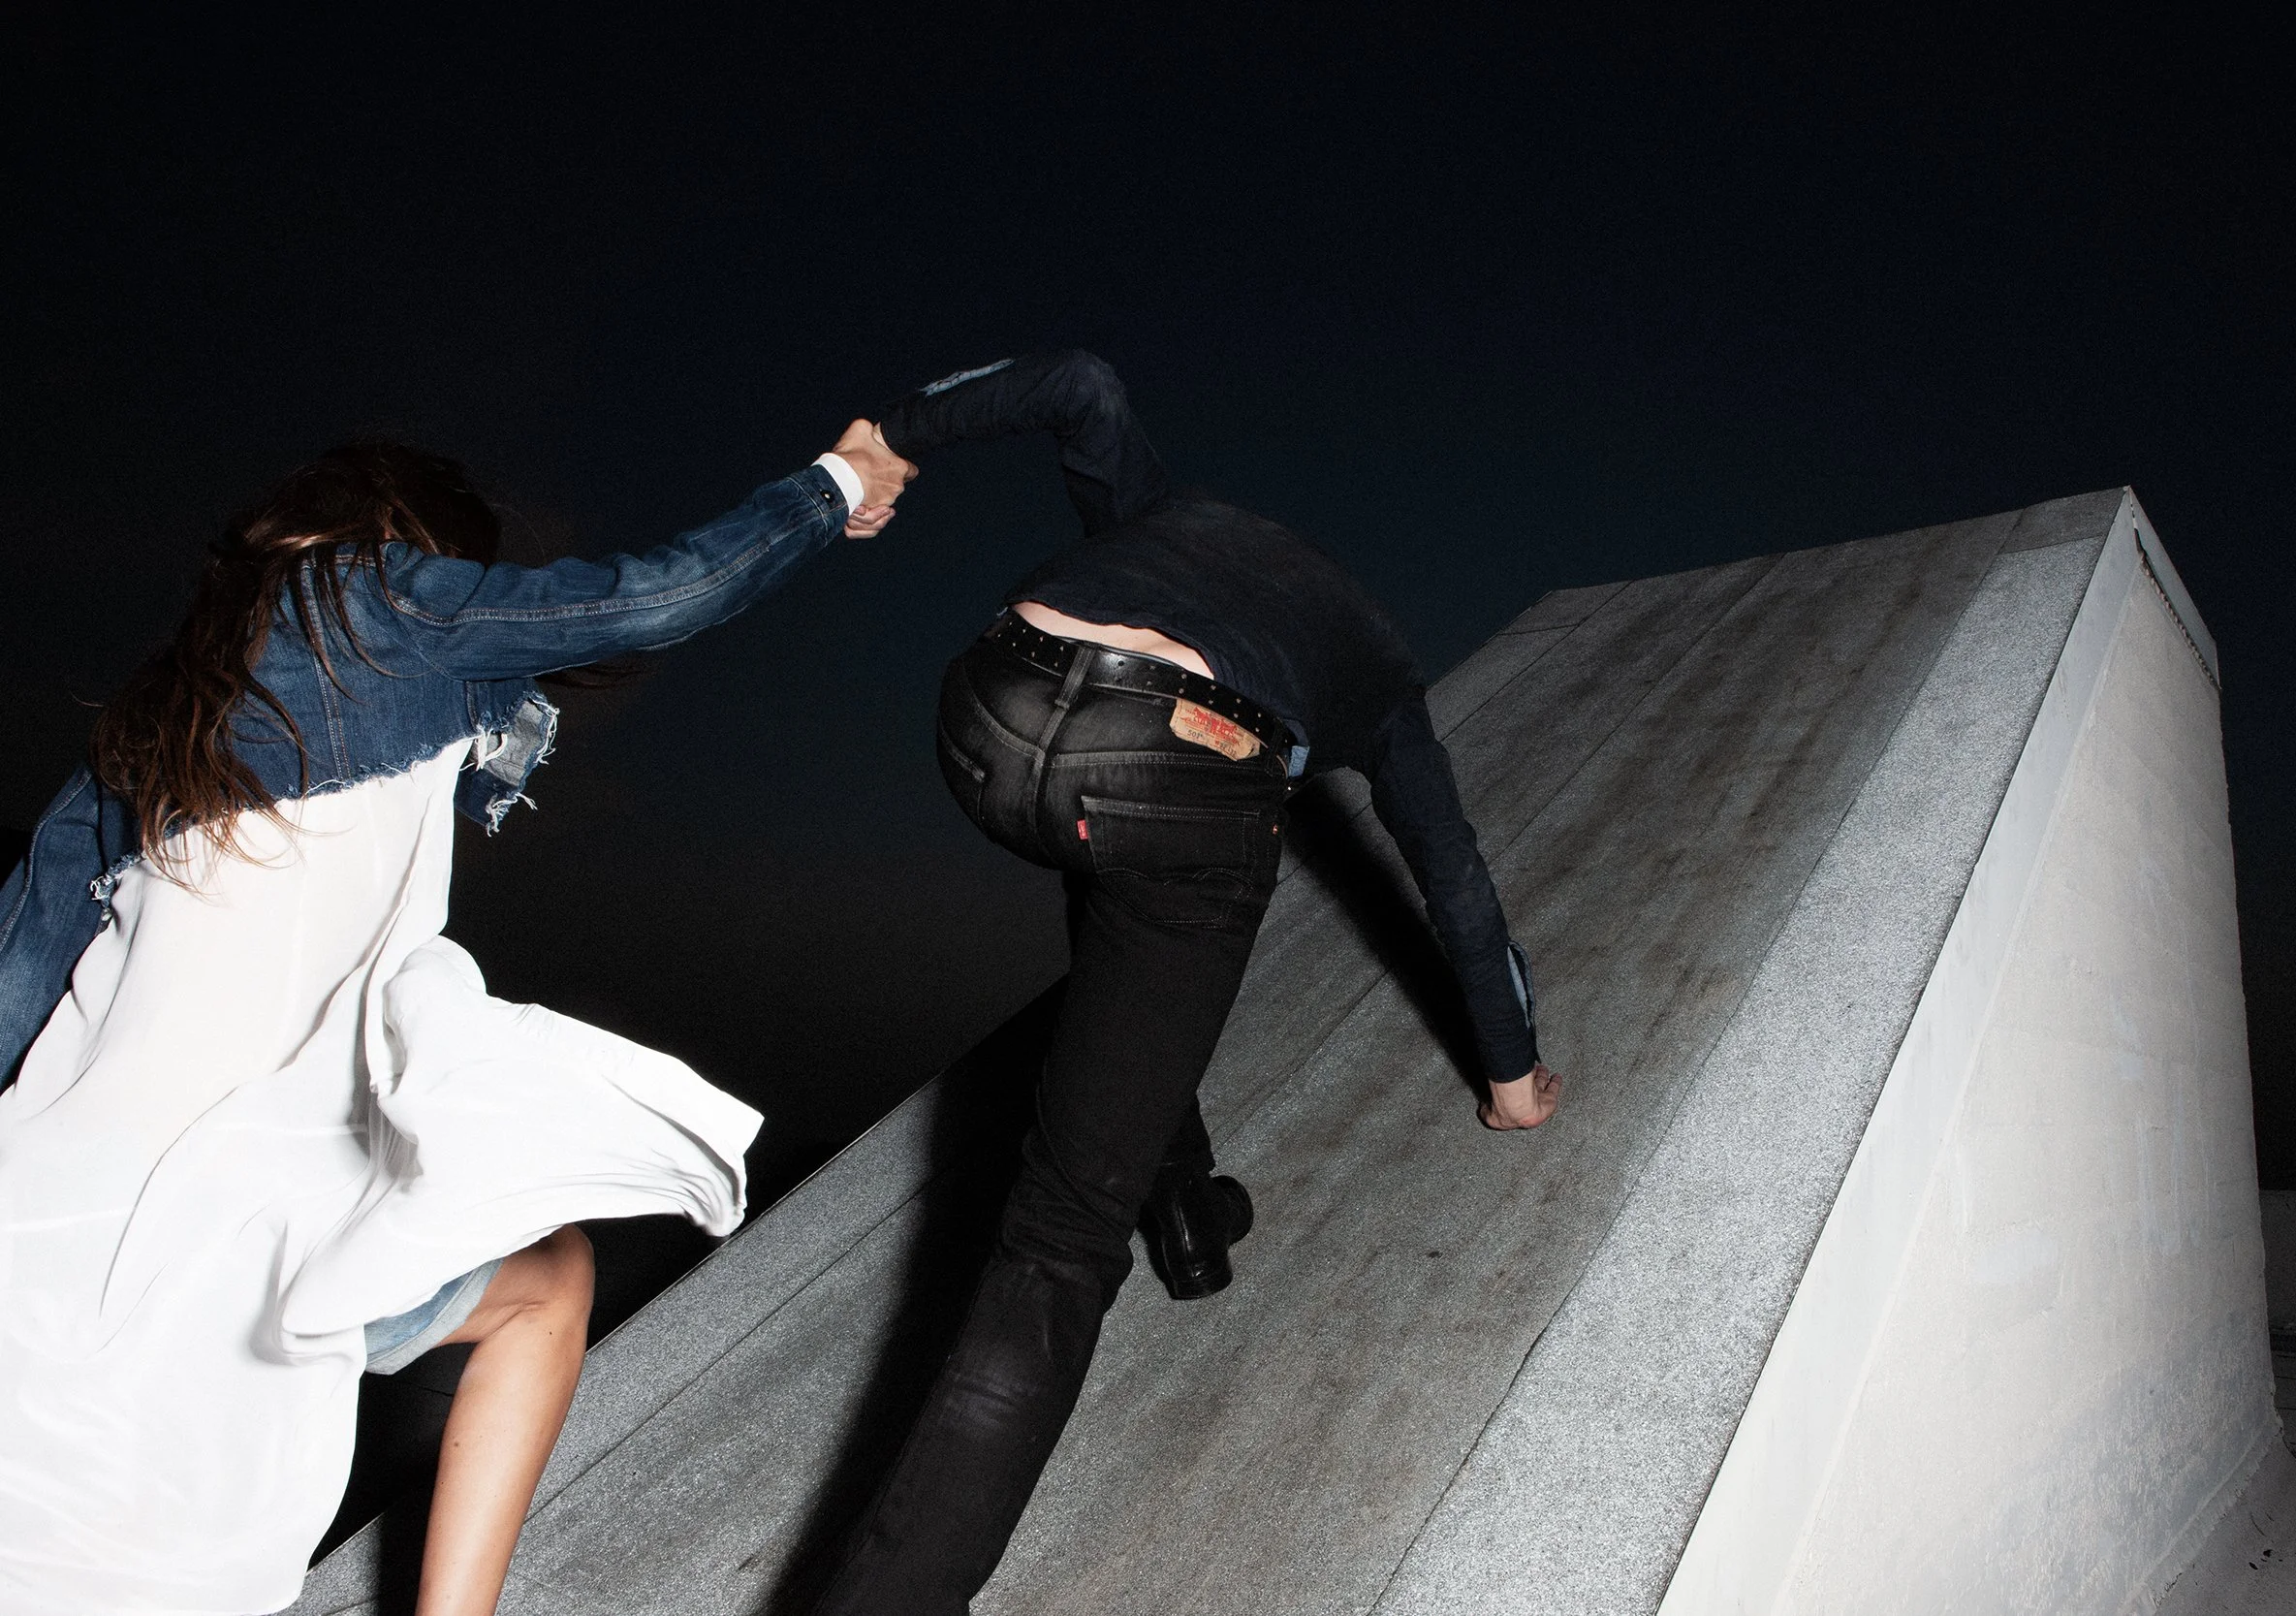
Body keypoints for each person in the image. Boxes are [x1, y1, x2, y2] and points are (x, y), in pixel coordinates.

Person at [0, 424, 912, 1615]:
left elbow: (23, 975)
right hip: (264, 1227)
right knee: (550, 1285)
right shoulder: (369, 599)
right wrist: (836, 483)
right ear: (408, 544)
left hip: (55, 1219)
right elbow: (656, 594)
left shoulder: (146, 734)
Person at [813, 351, 1559, 1616]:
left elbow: (1079, 383)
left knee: (1111, 861)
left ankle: (1191, 1215)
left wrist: (887, 435)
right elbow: (1455, 877)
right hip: (1176, 777)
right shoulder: (1378, 667)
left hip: (989, 710)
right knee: (1054, 1246)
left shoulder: (1163, 514)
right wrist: (1511, 1074)